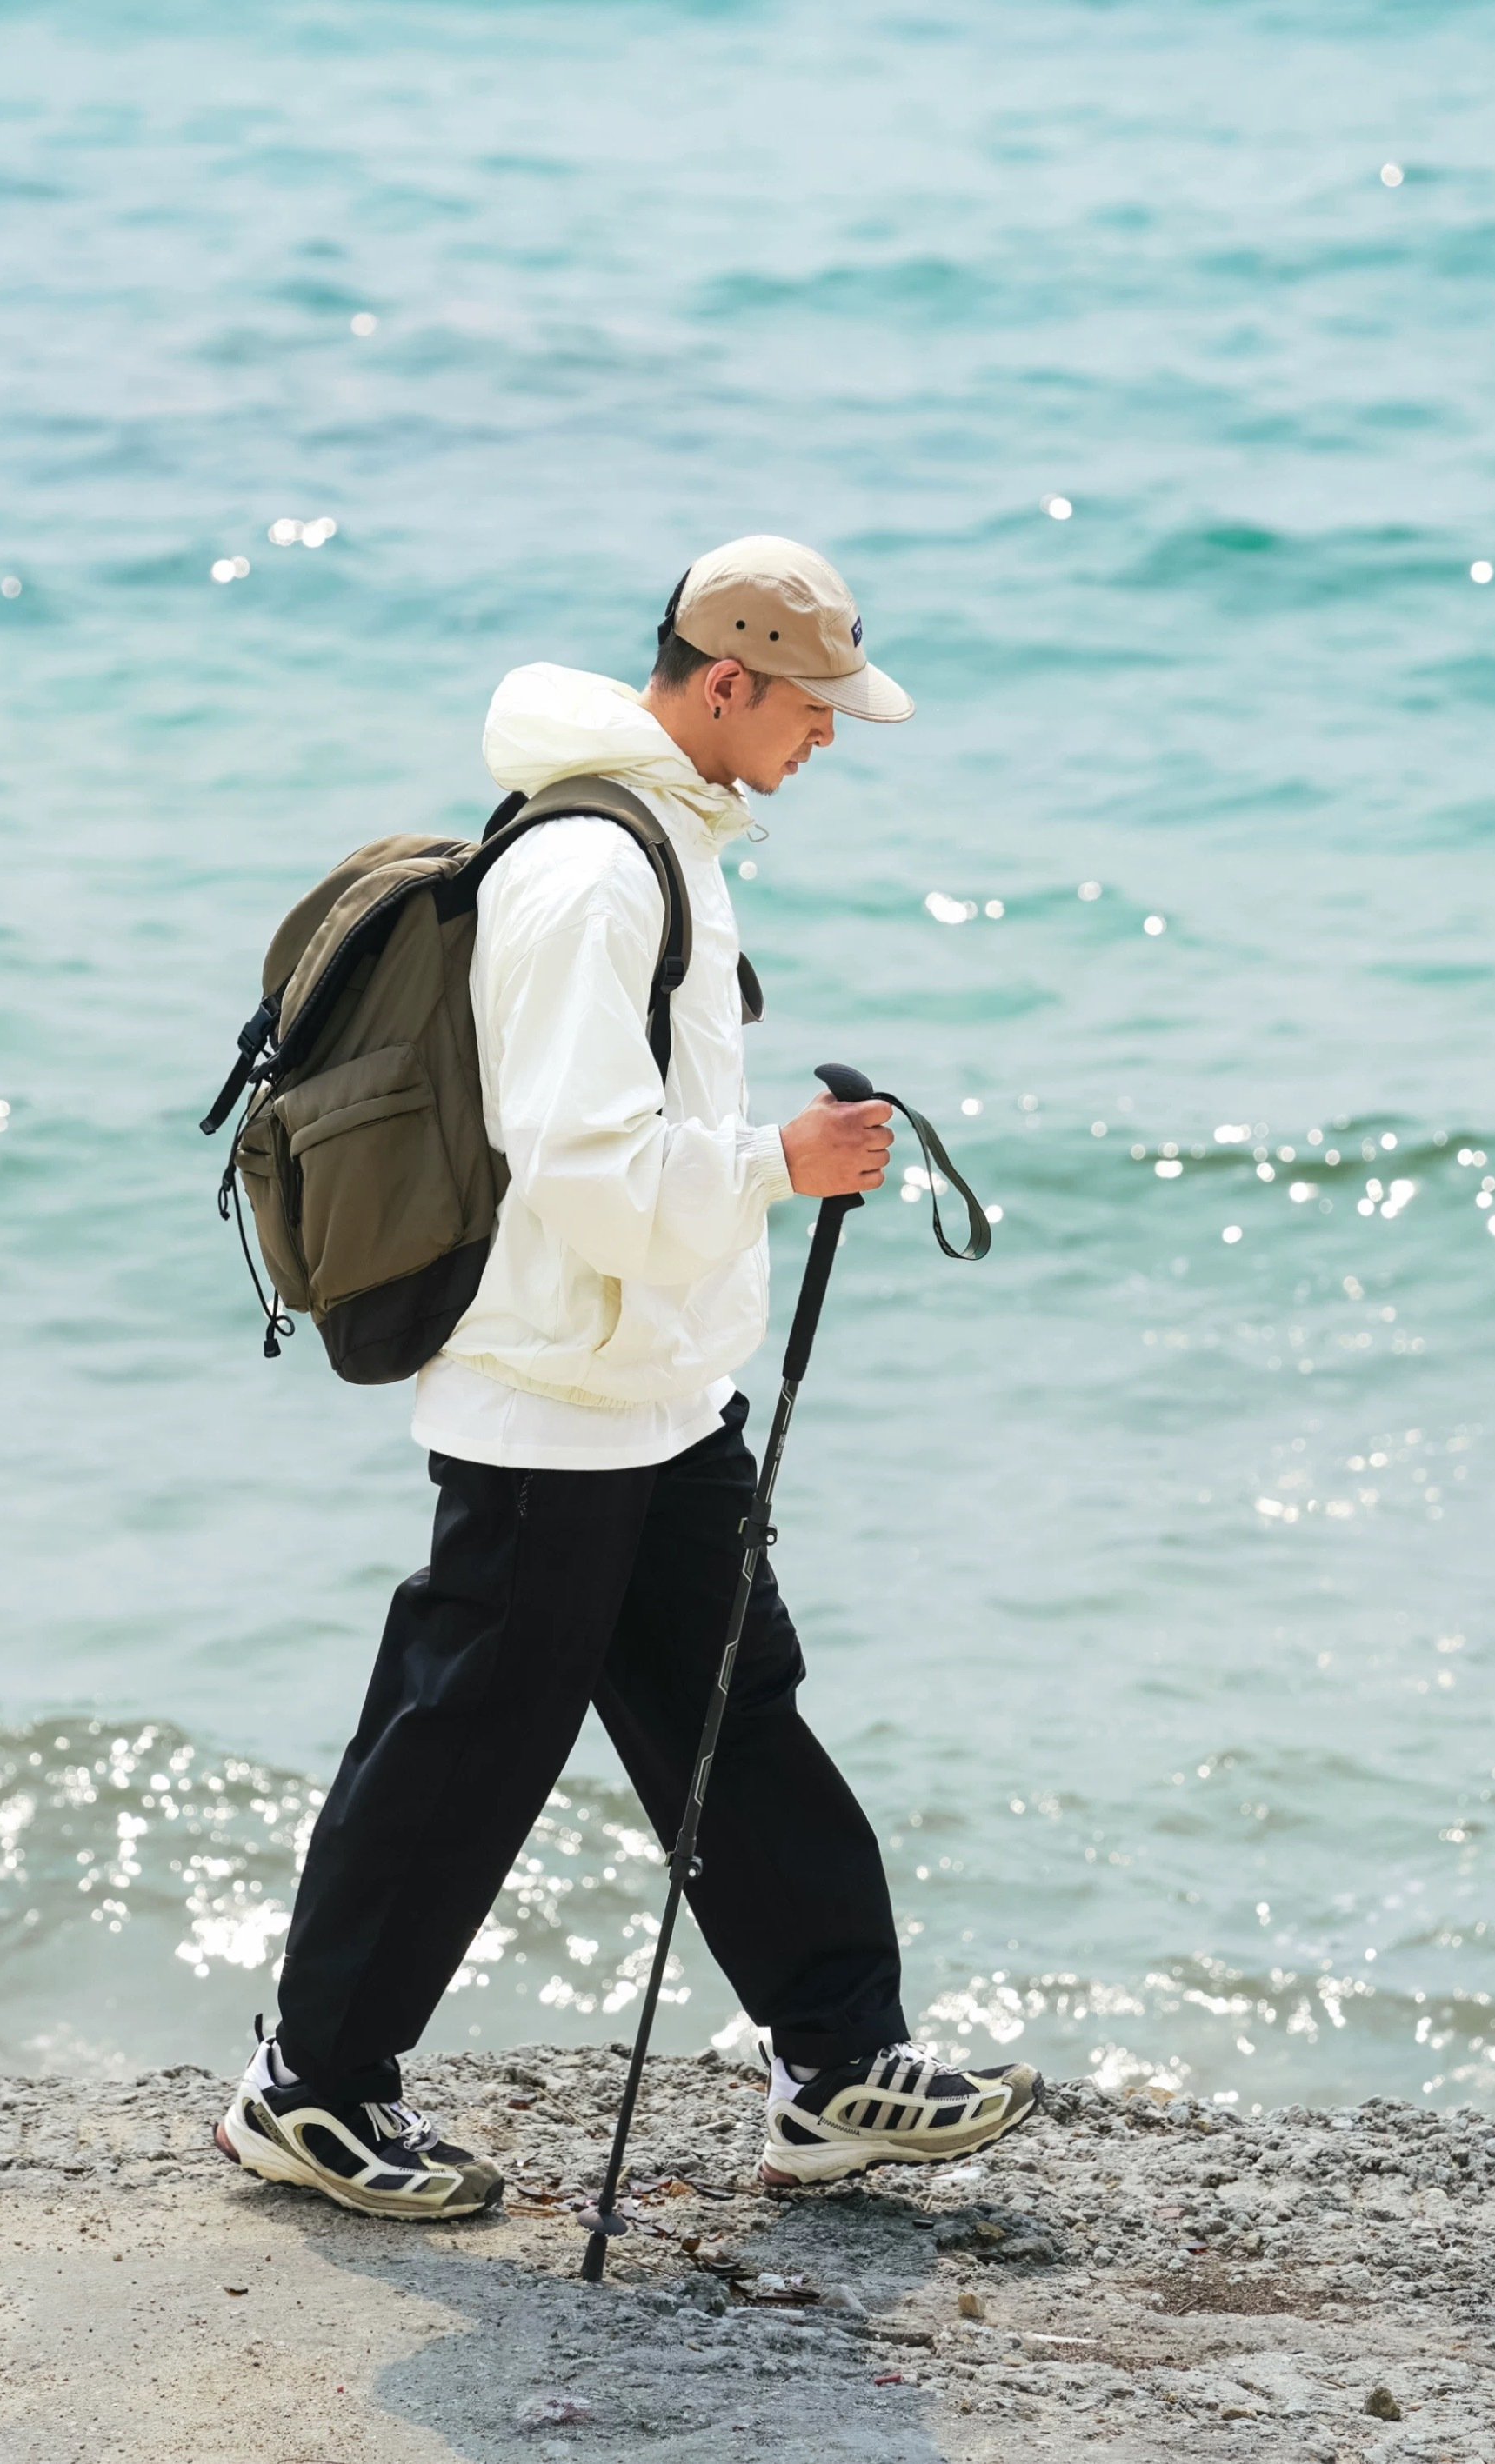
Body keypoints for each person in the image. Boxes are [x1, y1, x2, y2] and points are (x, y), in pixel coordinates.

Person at [217, 536, 1041, 2219]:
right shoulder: (592, 871)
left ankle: (834, 2067)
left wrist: (757, 1180)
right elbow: (582, 1166)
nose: (828, 733)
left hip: (650, 1389)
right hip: (552, 1396)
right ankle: (309, 2087)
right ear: (725, 679)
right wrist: (780, 1163)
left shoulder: (664, 836)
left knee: (734, 1711)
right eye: (811, 704)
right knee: (465, 1749)